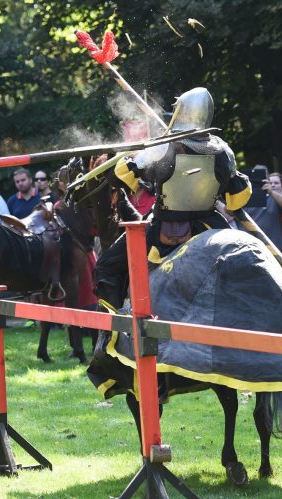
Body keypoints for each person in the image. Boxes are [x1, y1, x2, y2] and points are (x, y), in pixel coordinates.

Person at [92, 87, 250, 353]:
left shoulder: (164, 146)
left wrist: (129, 157)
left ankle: (116, 334)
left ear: (180, 111)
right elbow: (237, 198)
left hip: (161, 228)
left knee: (106, 267)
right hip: (209, 228)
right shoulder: (223, 150)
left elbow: (123, 177)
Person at [245, 172, 282, 253]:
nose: (273, 185)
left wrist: (271, 192)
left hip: (273, 249)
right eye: (271, 183)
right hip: (251, 248)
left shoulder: (275, 199)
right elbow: (229, 212)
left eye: (276, 183)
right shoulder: (246, 199)